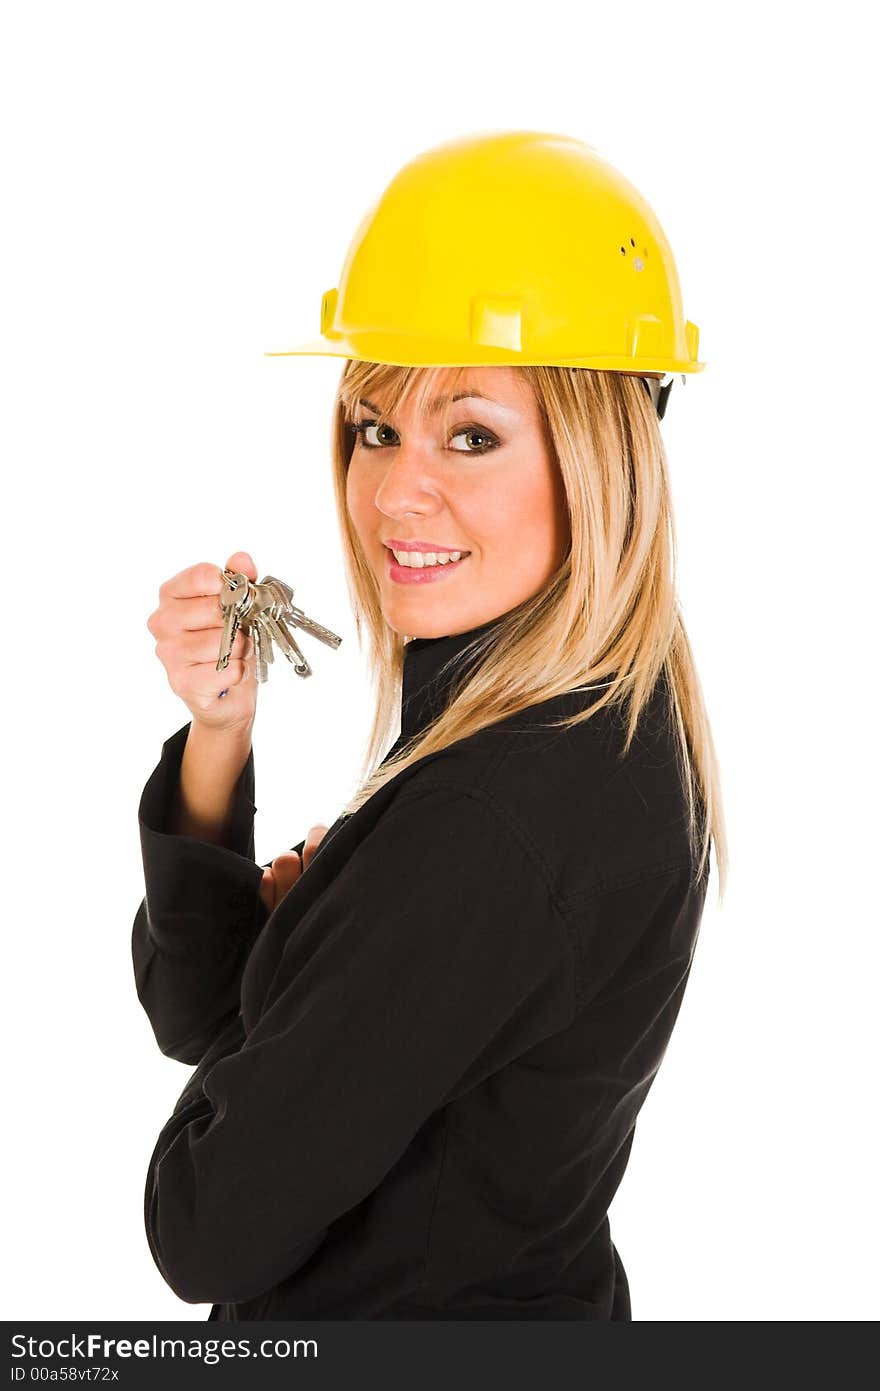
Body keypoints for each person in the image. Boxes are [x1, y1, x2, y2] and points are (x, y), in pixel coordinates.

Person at [133, 130, 727, 1321]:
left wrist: (320, 951)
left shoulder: (487, 818)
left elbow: (202, 1227)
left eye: (470, 433)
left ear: (603, 453)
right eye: (372, 426)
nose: (395, 490)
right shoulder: (591, 706)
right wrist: (219, 737)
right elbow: (206, 1010)